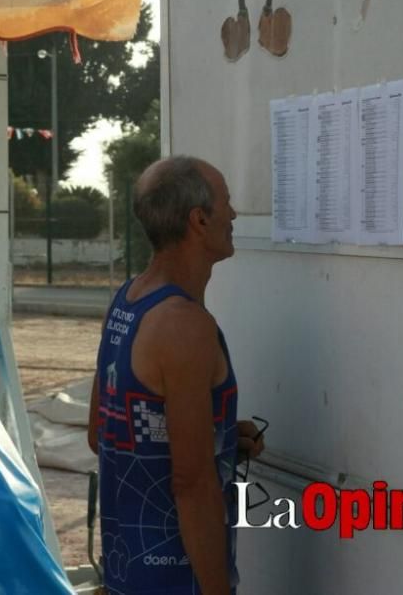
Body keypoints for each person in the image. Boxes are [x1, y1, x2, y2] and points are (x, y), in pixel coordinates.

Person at [88, 156, 265, 595]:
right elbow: (192, 484)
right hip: (174, 574)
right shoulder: (184, 325)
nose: (235, 214)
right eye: (227, 203)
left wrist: (219, 437)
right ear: (199, 220)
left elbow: (102, 432)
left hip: (127, 568)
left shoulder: (128, 300)